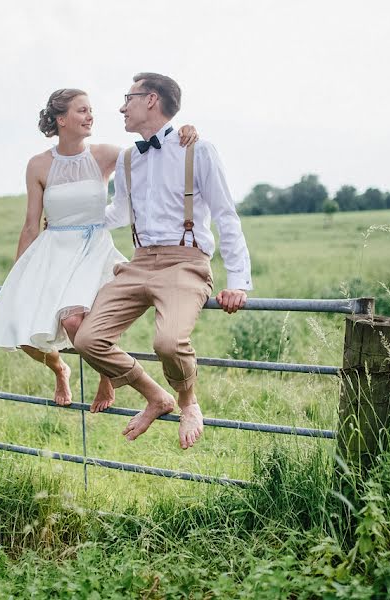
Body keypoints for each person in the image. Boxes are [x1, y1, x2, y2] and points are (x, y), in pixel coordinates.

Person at [0, 88, 199, 409]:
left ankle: (108, 378)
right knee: (22, 330)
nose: (90, 116)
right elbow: (30, 223)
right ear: (61, 119)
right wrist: (18, 275)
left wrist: (181, 132)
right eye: (82, 110)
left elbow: (154, 150)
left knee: (73, 322)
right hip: (53, 250)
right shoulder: (38, 165)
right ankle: (59, 368)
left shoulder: (105, 155)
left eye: (90, 110)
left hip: (93, 248)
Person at [74, 73, 252, 450]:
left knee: (168, 342)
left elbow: (225, 215)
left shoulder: (198, 150)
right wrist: (71, 222)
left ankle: (189, 404)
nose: (122, 106)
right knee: (88, 338)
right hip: (138, 263)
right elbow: (119, 213)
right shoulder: (126, 159)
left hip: (185, 263)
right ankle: (155, 395)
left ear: (151, 100)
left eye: (128, 98)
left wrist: (237, 281)